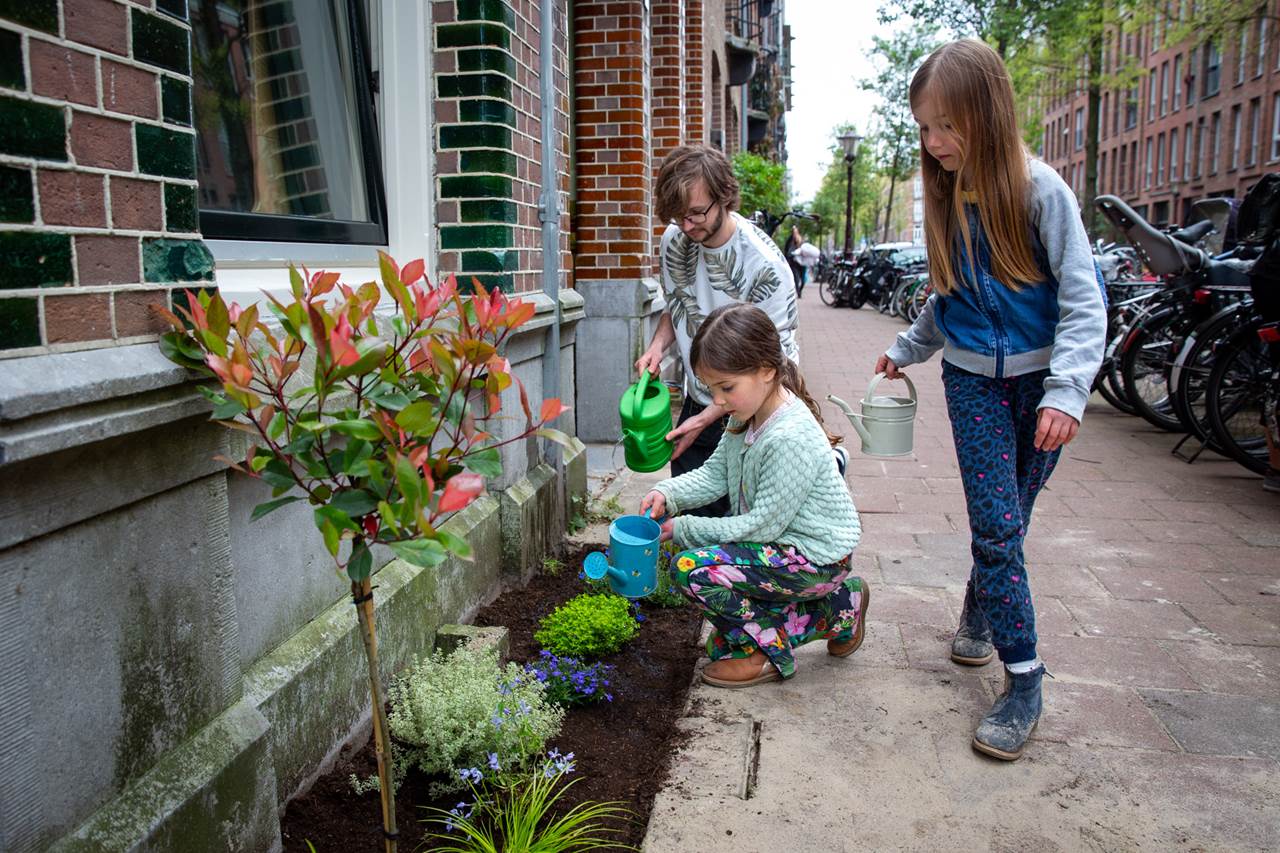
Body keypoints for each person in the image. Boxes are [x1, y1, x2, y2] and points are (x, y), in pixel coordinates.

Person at [874, 39, 1106, 761]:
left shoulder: (1040, 192)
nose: (934, 143)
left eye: (946, 125)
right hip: (971, 382)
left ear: (987, 113)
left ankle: (979, 606)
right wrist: (908, 348)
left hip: (1042, 386)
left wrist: (1067, 390)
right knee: (998, 526)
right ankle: (1025, 680)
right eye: (923, 128)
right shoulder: (944, 197)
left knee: (1011, 519)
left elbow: (1083, 300)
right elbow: (948, 299)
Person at [640, 303, 866, 687]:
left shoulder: (789, 437)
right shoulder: (746, 415)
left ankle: (764, 651)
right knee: (718, 607)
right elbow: (715, 475)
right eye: (712, 390)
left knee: (691, 569)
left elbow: (761, 526)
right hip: (783, 548)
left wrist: (682, 527)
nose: (719, 400)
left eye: (726, 387)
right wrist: (667, 492)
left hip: (815, 557)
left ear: (767, 371)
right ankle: (843, 606)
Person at [635, 145, 800, 518]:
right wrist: (658, 347)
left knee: (744, 521)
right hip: (699, 397)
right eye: (679, 217)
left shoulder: (764, 266)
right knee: (689, 511)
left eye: (696, 213)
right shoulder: (674, 241)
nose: (688, 225)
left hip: (755, 409)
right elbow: (677, 304)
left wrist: (712, 415)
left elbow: (775, 364)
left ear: (724, 196)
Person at [785, 225, 807, 298]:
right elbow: (786, 250)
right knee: (796, 278)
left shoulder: (801, 240)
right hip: (793, 263)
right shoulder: (789, 240)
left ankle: (800, 290)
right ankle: (798, 292)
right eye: (793, 231)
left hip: (802, 263)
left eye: (795, 231)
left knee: (803, 280)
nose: (794, 233)